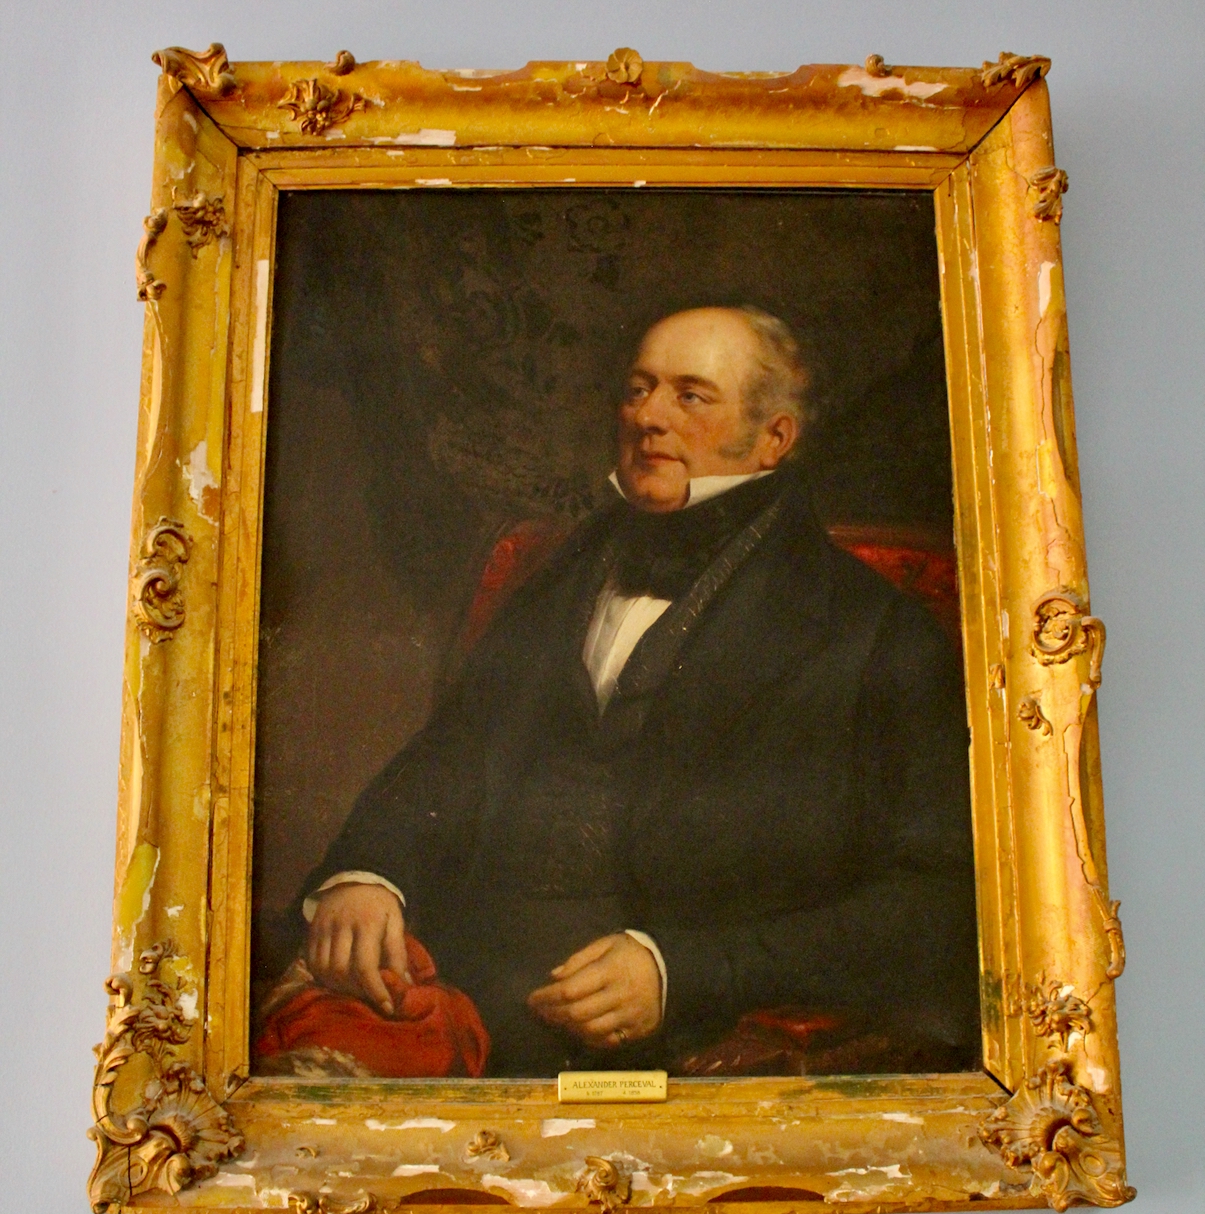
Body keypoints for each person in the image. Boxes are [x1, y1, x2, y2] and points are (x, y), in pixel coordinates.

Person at [295, 305, 980, 1076]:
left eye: (689, 395)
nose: (648, 416)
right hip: (464, 964)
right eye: (637, 389)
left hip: (672, 1023)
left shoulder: (871, 630)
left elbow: (935, 901)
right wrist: (368, 872)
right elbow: (455, 750)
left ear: (773, 439)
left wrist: (678, 971)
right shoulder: (560, 573)